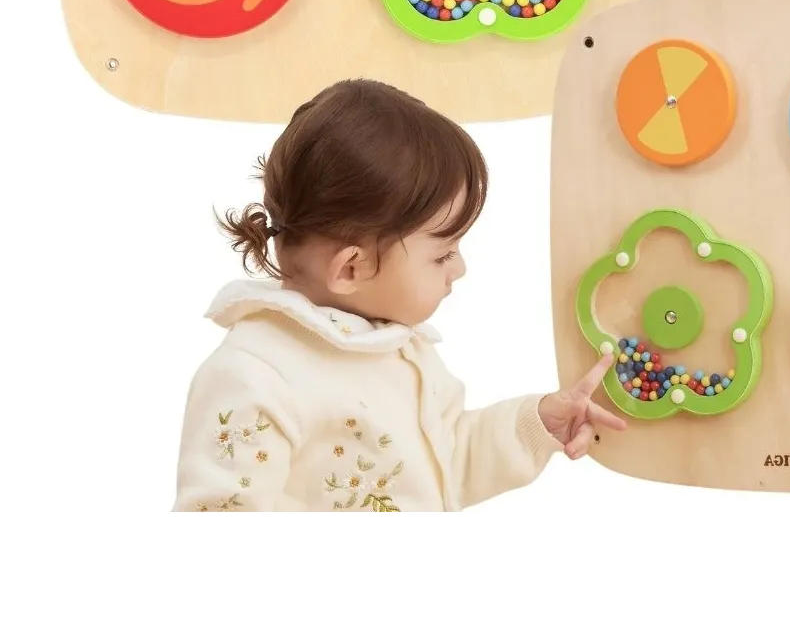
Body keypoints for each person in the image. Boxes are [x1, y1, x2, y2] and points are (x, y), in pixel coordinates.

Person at [173, 78, 624, 515]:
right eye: (443, 254)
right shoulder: (257, 376)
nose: (460, 269)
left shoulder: (400, 350)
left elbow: (446, 463)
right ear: (351, 268)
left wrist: (536, 423)